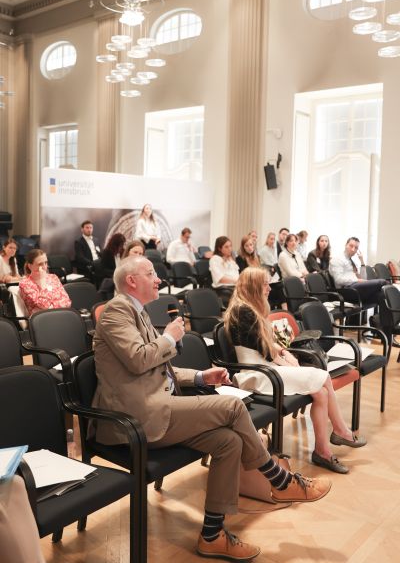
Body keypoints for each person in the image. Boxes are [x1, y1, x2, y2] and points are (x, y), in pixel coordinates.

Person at [91, 256, 331, 560]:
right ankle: (280, 480)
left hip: (158, 406)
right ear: (131, 281)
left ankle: (212, 535)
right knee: (232, 407)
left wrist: (201, 376)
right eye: (150, 273)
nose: (158, 279)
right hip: (134, 419)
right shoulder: (116, 311)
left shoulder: (138, 312)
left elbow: (158, 370)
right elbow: (139, 359)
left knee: (228, 442)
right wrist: (169, 337)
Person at [225, 267, 367, 474]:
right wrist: (287, 360)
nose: (269, 288)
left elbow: (268, 345)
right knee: (323, 376)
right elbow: (265, 349)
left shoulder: (249, 309)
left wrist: (284, 353)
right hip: (257, 374)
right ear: (253, 286)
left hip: (267, 368)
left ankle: (322, 451)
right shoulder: (243, 311)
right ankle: (340, 431)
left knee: (321, 392)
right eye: (264, 284)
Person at [329, 237, 386, 305]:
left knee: (382, 295)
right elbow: (338, 280)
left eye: (356, 248)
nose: (353, 249)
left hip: (355, 288)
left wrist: (361, 260)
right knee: (382, 282)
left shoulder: (352, 262)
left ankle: (392, 311)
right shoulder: (337, 259)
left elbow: (363, 278)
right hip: (346, 290)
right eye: (351, 246)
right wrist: (357, 280)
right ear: (346, 245)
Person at [19, 249, 71, 316]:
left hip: (62, 314)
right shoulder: (25, 283)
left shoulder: (53, 277)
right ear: (30, 266)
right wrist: (42, 281)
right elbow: (44, 305)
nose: (44, 267)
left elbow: (67, 301)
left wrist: (52, 307)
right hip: (42, 319)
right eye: (40, 264)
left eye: (46, 263)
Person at [209, 236, 239, 306]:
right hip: (223, 289)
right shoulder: (215, 259)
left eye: (230, 246)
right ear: (219, 248)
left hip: (235, 287)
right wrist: (237, 281)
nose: (230, 249)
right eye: (226, 247)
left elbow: (236, 274)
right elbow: (220, 279)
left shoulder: (230, 259)